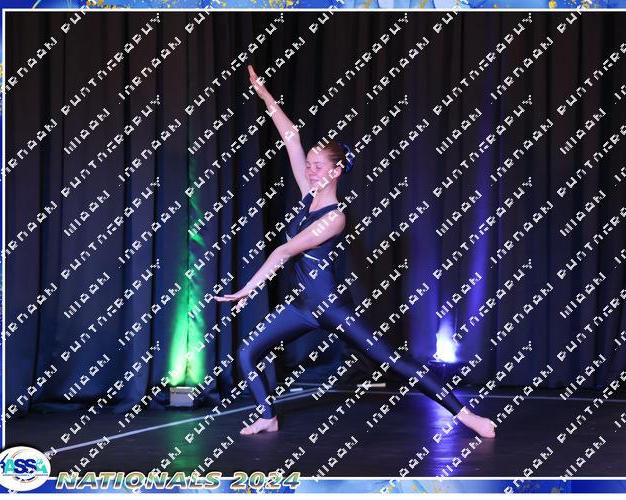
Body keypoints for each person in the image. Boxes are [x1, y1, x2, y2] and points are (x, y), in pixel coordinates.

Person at [213, 65, 496, 438]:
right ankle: (267, 416)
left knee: (395, 363)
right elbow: (291, 138)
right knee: (247, 352)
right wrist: (265, 95)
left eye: (317, 167)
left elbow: (283, 251)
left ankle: (467, 415)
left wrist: (247, 289)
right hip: (301, 309)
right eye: (308, 166)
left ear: (336, 171)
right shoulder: (308, 196)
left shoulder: (335, 218)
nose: (310, 171)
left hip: (332, 309)